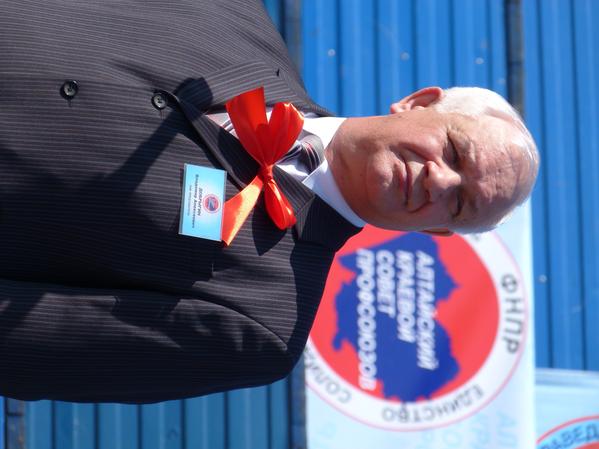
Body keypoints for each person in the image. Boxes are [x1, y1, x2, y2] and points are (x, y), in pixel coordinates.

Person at [0, 0, 538, 403]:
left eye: (460, 203)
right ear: (418, 102)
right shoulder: (228, 14)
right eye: (454, 152)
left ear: (438, 233)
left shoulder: (260, 324)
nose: (439, 182)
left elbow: (24, 344)